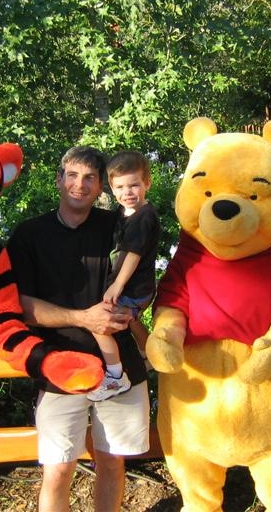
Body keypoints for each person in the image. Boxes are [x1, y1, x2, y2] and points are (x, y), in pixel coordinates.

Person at [6, 145, 150, 512]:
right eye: (72, 175)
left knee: (112, 461)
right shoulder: (29, 235)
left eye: (89, 178)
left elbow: (143, 276)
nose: (79, 184)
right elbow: (21, 306)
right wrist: (83, 318)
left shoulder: (118, 226)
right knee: (58, 468)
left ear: (101, 187)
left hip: (121, 367)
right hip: (59, 366)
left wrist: (142, 333)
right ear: (59, 180)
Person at [89, 150, 161, 401]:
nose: (127, 192)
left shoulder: (144, 216)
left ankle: (115, 376)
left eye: (134, 185)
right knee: (130, 319)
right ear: (111, 187)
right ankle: (150, 353)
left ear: (147, 183)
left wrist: (117, 285)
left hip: (133, 287)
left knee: (99, 324)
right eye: (120, 187)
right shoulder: (125, 212)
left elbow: (134, 253)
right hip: (135, 287)